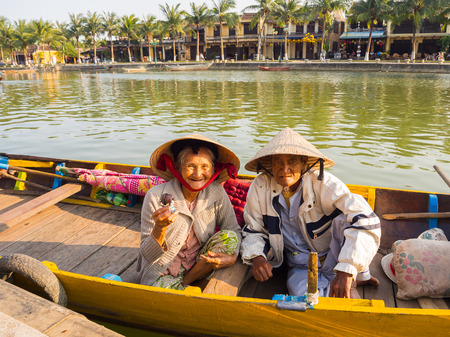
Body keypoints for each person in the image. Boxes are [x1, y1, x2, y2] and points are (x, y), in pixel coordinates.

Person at [240, 128, 381, 298]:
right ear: (270, 164)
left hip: (335, 255)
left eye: (292, 161)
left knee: (347, 219)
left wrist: (347, 269)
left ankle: (354, 274)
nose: (285, 169)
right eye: (278, 162)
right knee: (305, 297)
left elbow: (366, 219)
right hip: (300, 264)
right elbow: (253, 229)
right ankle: (354, 280)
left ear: (304, 163)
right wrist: (257, 257)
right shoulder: (260, 187)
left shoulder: (323, 182)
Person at [137, 134, 242, 290]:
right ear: (178, 168)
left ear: (213, 169)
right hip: (163, 271)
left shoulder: (217, 192)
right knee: (162, 293)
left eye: (205, 167)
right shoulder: (155, 196)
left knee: (230, 237)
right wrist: (160, 228)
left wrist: (232, 258)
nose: (198, 174)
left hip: (198, 266)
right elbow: (148, 255)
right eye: (190, 166)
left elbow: (234, 230)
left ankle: (186, 282)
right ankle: (185, 285)